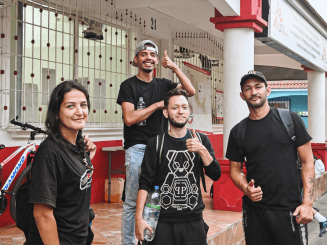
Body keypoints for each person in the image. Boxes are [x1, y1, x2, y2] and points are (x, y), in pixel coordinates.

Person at [116, 40, 195, 245]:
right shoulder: (128, 86)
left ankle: (149, 240)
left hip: (161, 149)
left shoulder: (164, 85)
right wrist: (158, 105)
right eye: (143, 54)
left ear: (157, 61)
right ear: (136, 59)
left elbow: (191, 91)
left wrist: (175, 67)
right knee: (133, 202)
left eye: (152, 54)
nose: (148, 57)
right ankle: (128, 243)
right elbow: (130, 118)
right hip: (138, 148)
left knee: (156, 199)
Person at [226, 70, 315, 245]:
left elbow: (307, 161)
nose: (253, 92)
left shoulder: (290, 120)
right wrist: (246, 188)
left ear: (268, 90)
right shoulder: (238, 132)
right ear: (242, 95)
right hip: (255, 211)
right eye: (248, 88)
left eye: (258, 87)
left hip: (289, 209)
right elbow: (235, 170)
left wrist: (307, 204)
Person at [135, 88, 221, 245]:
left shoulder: (201, 140)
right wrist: (138, 218)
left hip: (194, 221)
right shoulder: (155, 144)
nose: (180, 112)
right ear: (166, 113)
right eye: (175, 108)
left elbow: (216, 174)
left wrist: (202, 150)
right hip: (162, 222)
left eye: (184, 107)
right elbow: (145, 181)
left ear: (189, 111)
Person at [25, 81, 97, 245]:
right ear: (57, 112)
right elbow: (42, 214)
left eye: (83, 105)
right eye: (70, 106)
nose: (79, 112)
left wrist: (87, 156)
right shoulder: (50, 152)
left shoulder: (78, 147)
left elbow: (72, 184)